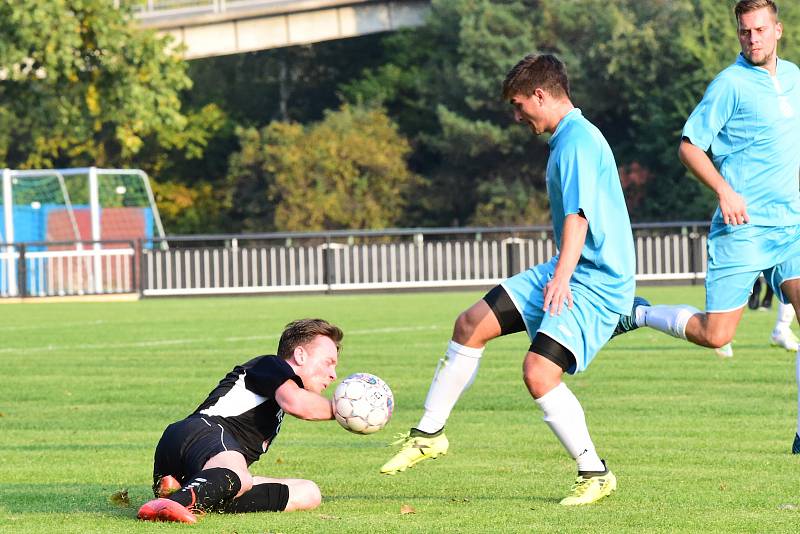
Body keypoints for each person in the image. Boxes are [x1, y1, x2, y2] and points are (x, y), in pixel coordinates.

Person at [381, 53, 641, 506]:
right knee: (470, 324)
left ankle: (595, 473)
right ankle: (428, 434)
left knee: (538, 372)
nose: (516, 115)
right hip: (568, 268)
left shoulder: (579, 141)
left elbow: (579, 217)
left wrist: (561, 279)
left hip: (596, 282)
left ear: (541, 95)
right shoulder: (565, 139)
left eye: (519, 105)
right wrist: (561, 271)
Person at [629, 0, 800, 452]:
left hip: (792, 225)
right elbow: (689, 147)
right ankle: (640, 313)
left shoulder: (796, 78)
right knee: (716, 335)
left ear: (778, 29)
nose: (753, 39)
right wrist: (724, 191)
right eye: (745, 32)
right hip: (743, 228)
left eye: (760, 30)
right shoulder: (729, 85)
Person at [137, 318, 342, 523]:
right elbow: (297, 404)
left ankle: (184, 492)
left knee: (308, 492)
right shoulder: (270, 364)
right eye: (328, 362)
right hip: (200, 432)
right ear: (300, 355)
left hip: (203, 465)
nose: (333, 374)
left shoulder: (278, 392)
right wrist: (348, 409)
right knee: (241, 477)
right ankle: (176, 502)